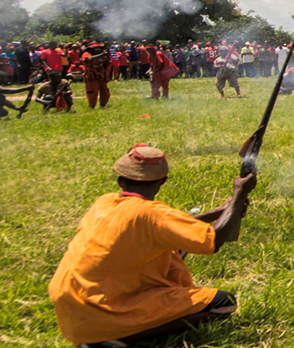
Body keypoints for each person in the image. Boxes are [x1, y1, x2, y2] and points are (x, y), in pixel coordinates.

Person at [49, 144, 257, 347]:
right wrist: (239, 194)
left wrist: (218, 212)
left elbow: (165, 228)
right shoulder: (152, 213)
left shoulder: (103, 202)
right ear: (163, 181)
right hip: (103, 310)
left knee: (173, 252)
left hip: (70, 309)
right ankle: (119, 338)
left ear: (121, 181)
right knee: (224, 303)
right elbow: (213, 240)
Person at [80, 44, 112, 108]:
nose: (98, 49)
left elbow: (106, 64)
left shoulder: (102, 55)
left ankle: (103, 104)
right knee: (93, 91)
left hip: (101, 74)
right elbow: (88, 59)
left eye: (99, 48)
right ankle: (91, 106)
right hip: (91, 75)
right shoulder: (86, 53)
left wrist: (107, 57)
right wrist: (102, 54)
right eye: (96, 48)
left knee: (105, 91)